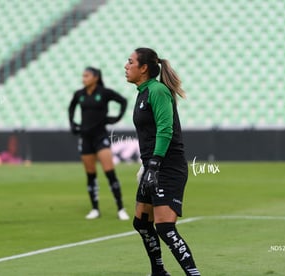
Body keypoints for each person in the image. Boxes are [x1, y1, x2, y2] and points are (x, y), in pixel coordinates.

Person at [125, 48, 200, 276]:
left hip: (167, 167)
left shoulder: (157, 91)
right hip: (152, 166)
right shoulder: (143, 92)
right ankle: (158, 271)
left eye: (130, 62)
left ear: (144, 68)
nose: (126, 66)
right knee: (142, 223)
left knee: (165, 228)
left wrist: (155, 165)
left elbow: (165, 130)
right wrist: (147, 166)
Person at [68, 66, 130, 220]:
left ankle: (121, 208)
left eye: (87, 76)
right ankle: (95, 209)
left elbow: (123, 101)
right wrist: (73, 124)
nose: (84, 78)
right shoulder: (80, 94)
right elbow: (71, 107)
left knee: (109, 172)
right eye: (83, 76)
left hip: (100, 137)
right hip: (85, 138)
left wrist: (116, 118)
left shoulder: (104, 93)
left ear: (95, 77)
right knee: (90, 175)